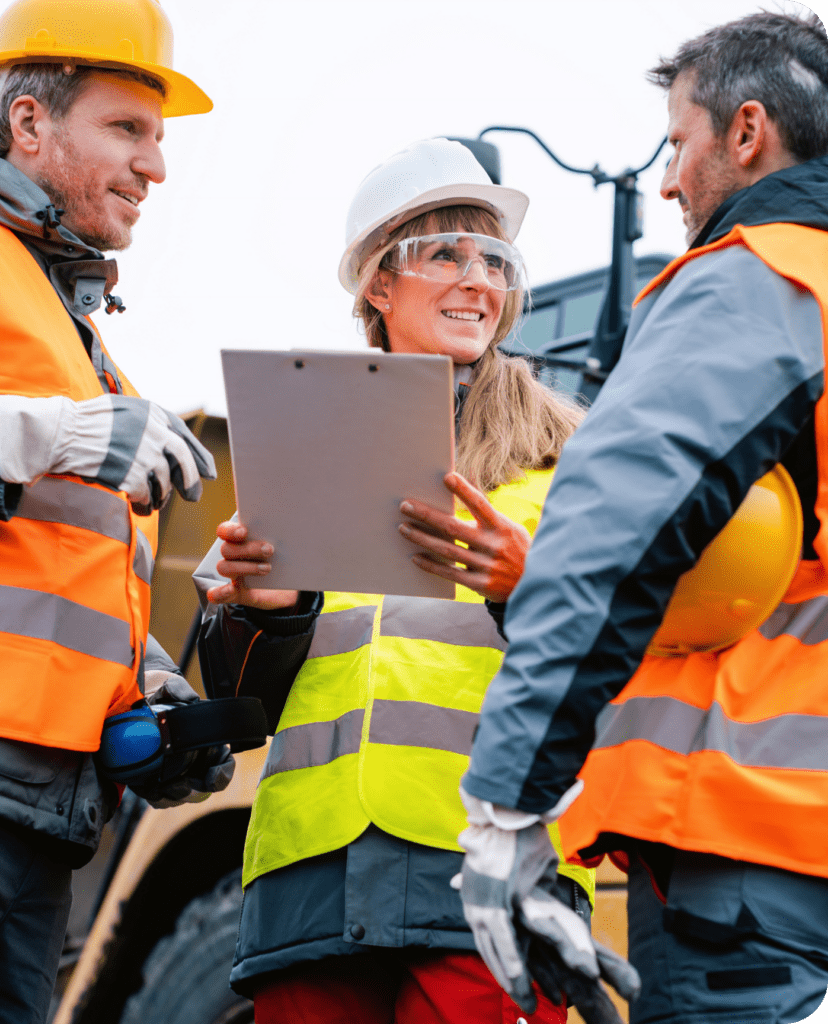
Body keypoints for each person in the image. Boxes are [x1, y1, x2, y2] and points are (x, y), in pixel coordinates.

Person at [453, 10, 828, 1024]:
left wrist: (506, 803)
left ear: (745, 134)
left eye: (677, 143)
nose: (667, 182)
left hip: (756, 863)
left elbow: (612, 533)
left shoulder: (764, 276)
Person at [194, 137, 597, 1024]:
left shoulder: (568, 464)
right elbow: (243, 704)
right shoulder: (296, 451)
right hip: (312, 878)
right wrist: (273, 610)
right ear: (379, 283)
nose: (477, 280)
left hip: (490, 875)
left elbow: (627, 670)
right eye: (445, 252)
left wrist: (520, 586)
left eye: (494, 259)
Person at [0, 1, 230, 1021]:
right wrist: (39, 437)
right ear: (29, 123)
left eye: (158, 139)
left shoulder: (91, 355)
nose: (156, 166)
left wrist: (143, 690)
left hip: (43, 815)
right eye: (127, 129)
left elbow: (42, 580)